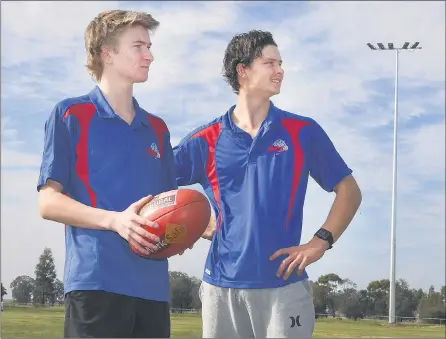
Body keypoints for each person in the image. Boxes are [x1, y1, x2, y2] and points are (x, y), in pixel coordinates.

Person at [173, 30, 362, 338]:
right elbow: (153, 182)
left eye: (281, 63)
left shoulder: (302, 132)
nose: (280, 70)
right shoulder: (204, 140)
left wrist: (320, 241)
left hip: (284, 287)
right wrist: (191, 225)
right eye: (270, 63)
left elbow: (349, 191)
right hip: (221, 287)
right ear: (243, 70)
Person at [37, 10, 176, 338]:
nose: (149, 55)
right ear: (107, 53)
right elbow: (48, 202)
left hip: (153, 290)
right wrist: (115, 220)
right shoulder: (71, 114)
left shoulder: (157, 129)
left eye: (149, 46)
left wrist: (189, 229)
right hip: (97, 283)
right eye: (139, 46)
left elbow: (169, 206)